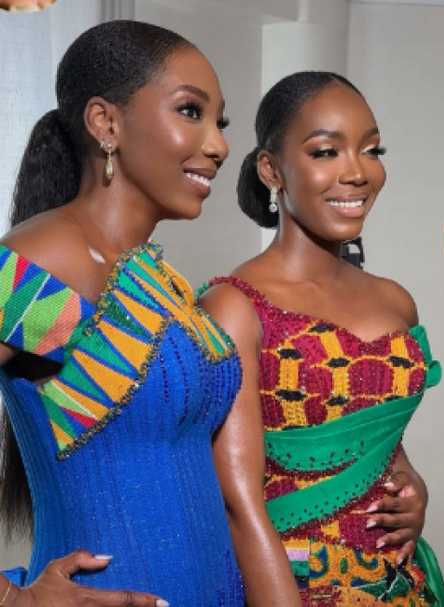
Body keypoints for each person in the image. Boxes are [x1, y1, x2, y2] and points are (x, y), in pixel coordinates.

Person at [0, 20, 243, 605]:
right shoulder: (52, 260)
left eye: (221, 122)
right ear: (106, 123)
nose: (218, 144)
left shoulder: (155, 276)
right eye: (191, 111)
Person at [201, 71, 444, 606]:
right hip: (290, 587)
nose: (357, 172)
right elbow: (237, 503)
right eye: (325, 152)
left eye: (371, 149)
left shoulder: (394, 302)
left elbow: (380, 438)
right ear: (272, 169)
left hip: (399, 584)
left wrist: (413, 488)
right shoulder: (233, 307)